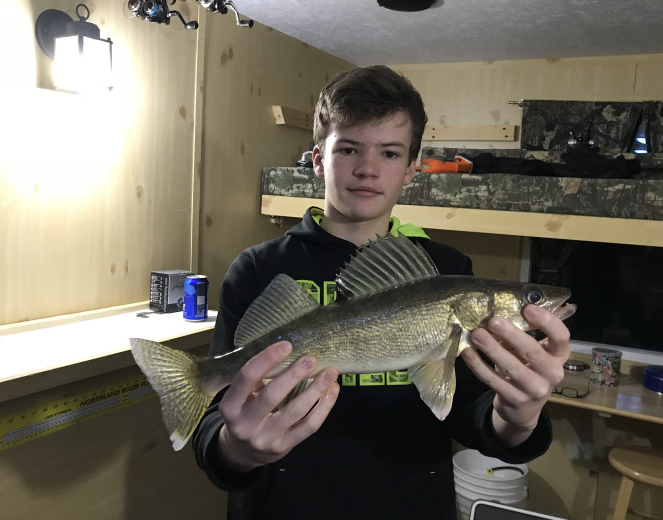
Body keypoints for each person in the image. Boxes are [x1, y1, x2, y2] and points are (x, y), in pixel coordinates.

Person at [193, 65, 571, 519]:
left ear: (412, 169)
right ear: (317, 159)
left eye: (390, 153)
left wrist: (518, 415)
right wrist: (239, 449)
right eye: (348, 148)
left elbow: (466, 406)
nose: (368, 168)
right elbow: (216, 425)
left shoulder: (448, 269)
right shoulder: (257, 269)